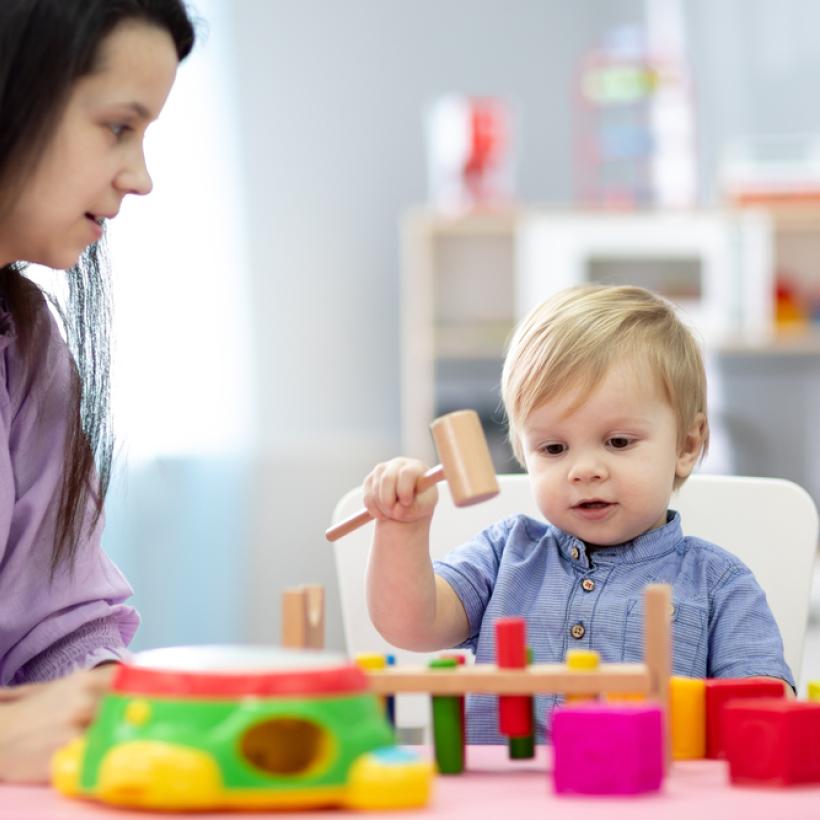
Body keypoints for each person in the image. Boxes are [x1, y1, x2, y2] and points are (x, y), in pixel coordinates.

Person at [365, 284, 793, 743]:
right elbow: (408, 624)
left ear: (687, 446)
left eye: (618, 442)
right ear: (526, 455)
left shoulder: (718, 583)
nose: (584, 470)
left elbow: (764, 716)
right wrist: (403, 530)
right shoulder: (503, 554)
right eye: (553, 448)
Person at [0, 0, 195, 781]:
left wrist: (118, 702)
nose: (140, 179)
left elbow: (56, 627)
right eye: (119, 126)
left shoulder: (28, 348)